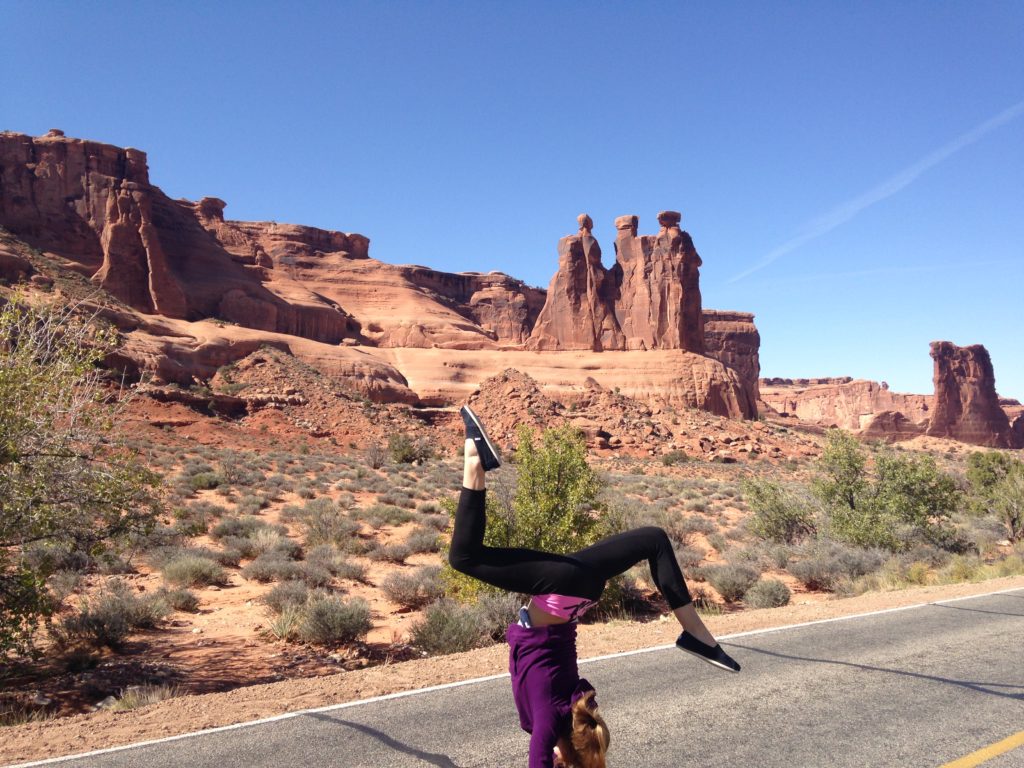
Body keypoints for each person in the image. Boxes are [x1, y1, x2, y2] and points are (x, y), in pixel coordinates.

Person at [449, 406, 740, 768]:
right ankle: (475, 459)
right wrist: (559, 756)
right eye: (561, 762)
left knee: (654, 539)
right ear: (566, 752)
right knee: (463, 559)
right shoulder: (548, 721)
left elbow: (577, 715)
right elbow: (539, 758)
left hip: (582, 593)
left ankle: (698, 636)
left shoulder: (580, 703)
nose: (552, 761)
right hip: (560, 592)